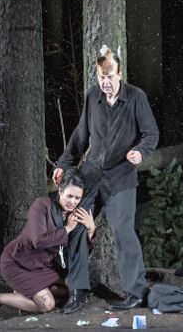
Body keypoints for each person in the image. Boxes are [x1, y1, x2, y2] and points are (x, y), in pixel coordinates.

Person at [53, 44, 159, 313]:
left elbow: (151, 134)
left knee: (124, 233)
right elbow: (80, 136)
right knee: (76, 226)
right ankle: (78, 291)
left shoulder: (136, 97)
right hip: (90, 173)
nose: (105, 82)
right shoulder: (93, 97)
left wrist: (140, 151)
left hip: (121, 176)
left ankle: (136, 293)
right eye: (101, 77)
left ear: (120, 74)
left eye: (110, 77)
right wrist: (64, 164)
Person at [0, 170, 94, 321]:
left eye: (77, 198)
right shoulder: (42, 205)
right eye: (69, 196)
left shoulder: (72, 214)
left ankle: (24, 298)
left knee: (71, 289)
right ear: (60, 191)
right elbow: (39, 241)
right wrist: (67, 229)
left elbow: (75, 252)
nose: (73, 202)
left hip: (42, 267)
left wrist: (90, 230)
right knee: (47, 305)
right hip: (17, 263)